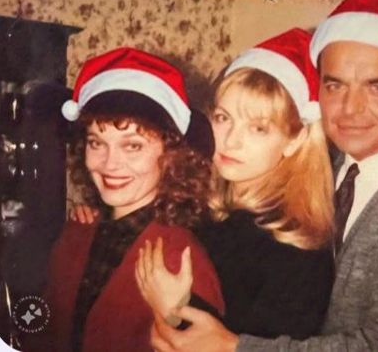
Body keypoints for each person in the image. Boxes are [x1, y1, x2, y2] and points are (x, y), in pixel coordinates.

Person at [149, 0, 378, 352]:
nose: (351, 108)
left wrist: (233, 347)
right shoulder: (317, 161)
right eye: (335, 85)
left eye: (377, 86)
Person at [72, 29, 336, 340]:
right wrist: (99, 219)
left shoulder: (298, 251)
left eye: (258, 128)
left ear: (295, 140)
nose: (231, 141)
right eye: (223, 118)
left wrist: (178, 308)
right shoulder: (206, 210)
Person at [26, 47, 224, 352]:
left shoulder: (180, 260)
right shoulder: (78, 232)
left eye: (132, 146)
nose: (109, 164)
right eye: (96, 143)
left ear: (171, 156)